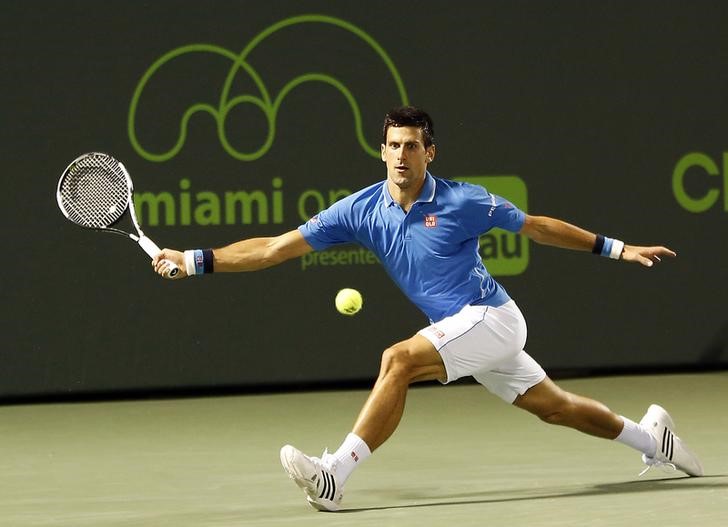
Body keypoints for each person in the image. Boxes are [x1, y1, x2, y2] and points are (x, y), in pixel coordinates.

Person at [153, 106, 703, 511]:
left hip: (491, 316)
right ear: (381, 151)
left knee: (399, 359)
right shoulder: (360, 210)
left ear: (429, 152)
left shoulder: (465, 200)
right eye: (392, 145)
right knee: (554, 407)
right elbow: (273, 247)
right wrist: (198, 260)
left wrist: (616, 247)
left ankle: (334, 476)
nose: (400, 155)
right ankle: (655, 440)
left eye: (412, 146)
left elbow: (536, 227)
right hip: (465, 329)